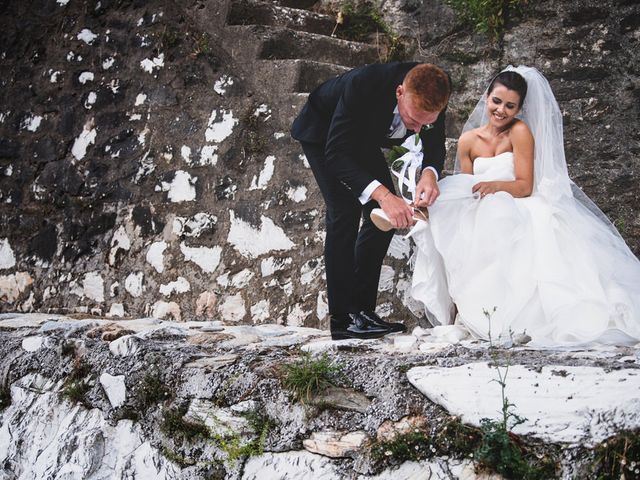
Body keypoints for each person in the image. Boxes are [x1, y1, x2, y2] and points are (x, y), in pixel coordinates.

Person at [408, 66, 640, 347]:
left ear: (519, 108)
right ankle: (417, 214)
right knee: (452, 198)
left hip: (517, 202)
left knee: (500, 220)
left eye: (510, 106)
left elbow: (524, 185)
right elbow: (466, 186)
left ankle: (513, 315)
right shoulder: (469, 140)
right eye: (496, 101)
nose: (500, 110)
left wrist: (495, 187)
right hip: (480, 206)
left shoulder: (519, 132)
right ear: (487, 97)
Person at [291, 62, 451, 340]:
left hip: (363, 138)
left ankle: (363, 312)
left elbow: (435, 143)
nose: (416, 130)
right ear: (399, 92)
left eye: (426, 123)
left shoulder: (436, 88)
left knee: (382, 219)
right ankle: (343, 319)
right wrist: (385, 196)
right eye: (413, 120)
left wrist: (429, 174)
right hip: (325, 134)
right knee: (344, 210)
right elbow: (337, 153)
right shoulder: (363, 85)